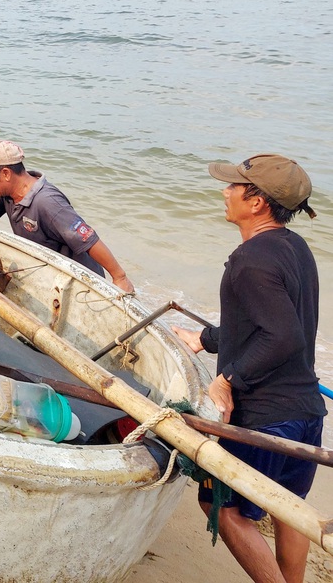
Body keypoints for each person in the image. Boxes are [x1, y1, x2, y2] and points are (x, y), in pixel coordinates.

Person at [172, 154, 322, 583]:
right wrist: (206, 339)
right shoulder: (294, 246)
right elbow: (268, 321)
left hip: (265, 421)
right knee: (289, 506)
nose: (225, 191)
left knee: (223, 506)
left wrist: (227, 379)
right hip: (306, 413)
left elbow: (283, 336)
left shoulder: (250, 258)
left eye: (234, 186)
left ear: (256, 202)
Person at [0, 140, 134, 293]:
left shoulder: (48, 202)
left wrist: (119, 277)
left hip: (78, 280)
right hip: (46, 271)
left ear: (5, 173)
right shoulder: (7, 193)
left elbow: (89, 240)